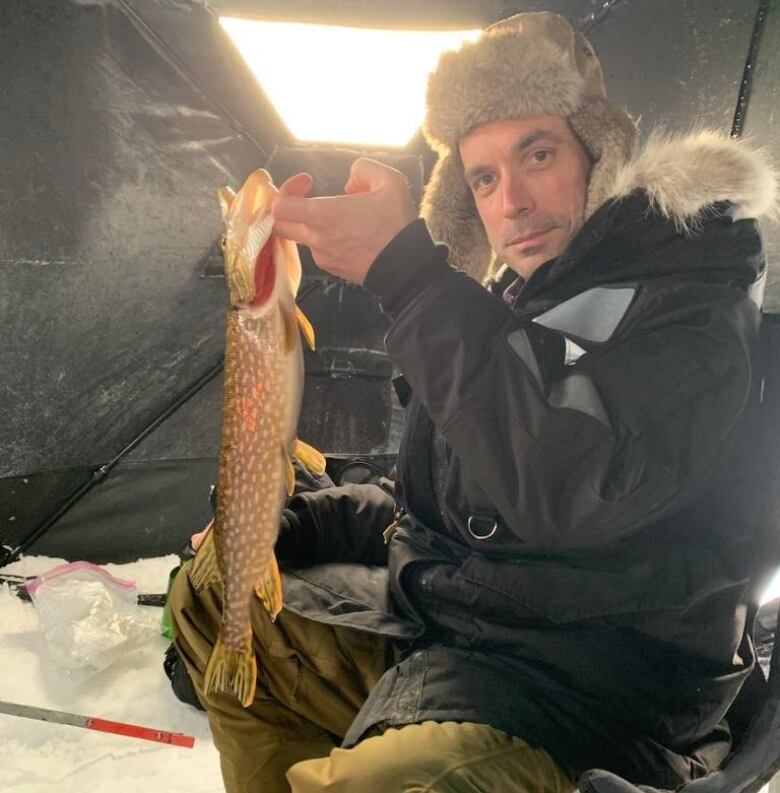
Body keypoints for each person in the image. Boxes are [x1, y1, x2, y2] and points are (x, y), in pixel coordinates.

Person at [169, 11, 778, 793]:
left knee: (394, 780)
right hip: (468, 644)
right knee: (217, 594)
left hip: (605, 699)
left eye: (538, 153)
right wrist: (290, 522)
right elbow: (436, 507)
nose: (512, 200)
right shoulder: (508, 308)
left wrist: (413, 281)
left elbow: (566, 482)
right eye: (483, 177)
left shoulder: (691, 295)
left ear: (601, 151)